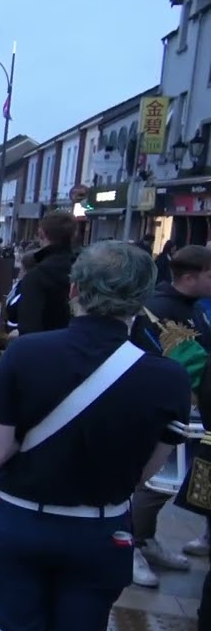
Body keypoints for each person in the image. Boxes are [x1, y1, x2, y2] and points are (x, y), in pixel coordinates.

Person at [0, 241, 190, 631]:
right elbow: (147, 473)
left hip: (18, 524)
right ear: (141, 299)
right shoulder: (169, 377)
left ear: (75, 289)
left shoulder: (27, 353)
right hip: (100, 533)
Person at [127, 244, 211, 587]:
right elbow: (182, 363)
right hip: (162, 410)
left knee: (174, 479)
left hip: (192, 412)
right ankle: (130, 544)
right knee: (153, 482)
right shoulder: (157, 310)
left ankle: (145, 540)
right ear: (190, 277)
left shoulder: (194, 307)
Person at [15, 209, 77, 334]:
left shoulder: (36, 276)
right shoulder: (85, 272)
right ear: (73, 235)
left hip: (44, 348)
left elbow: (29, 328)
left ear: (41, 233)